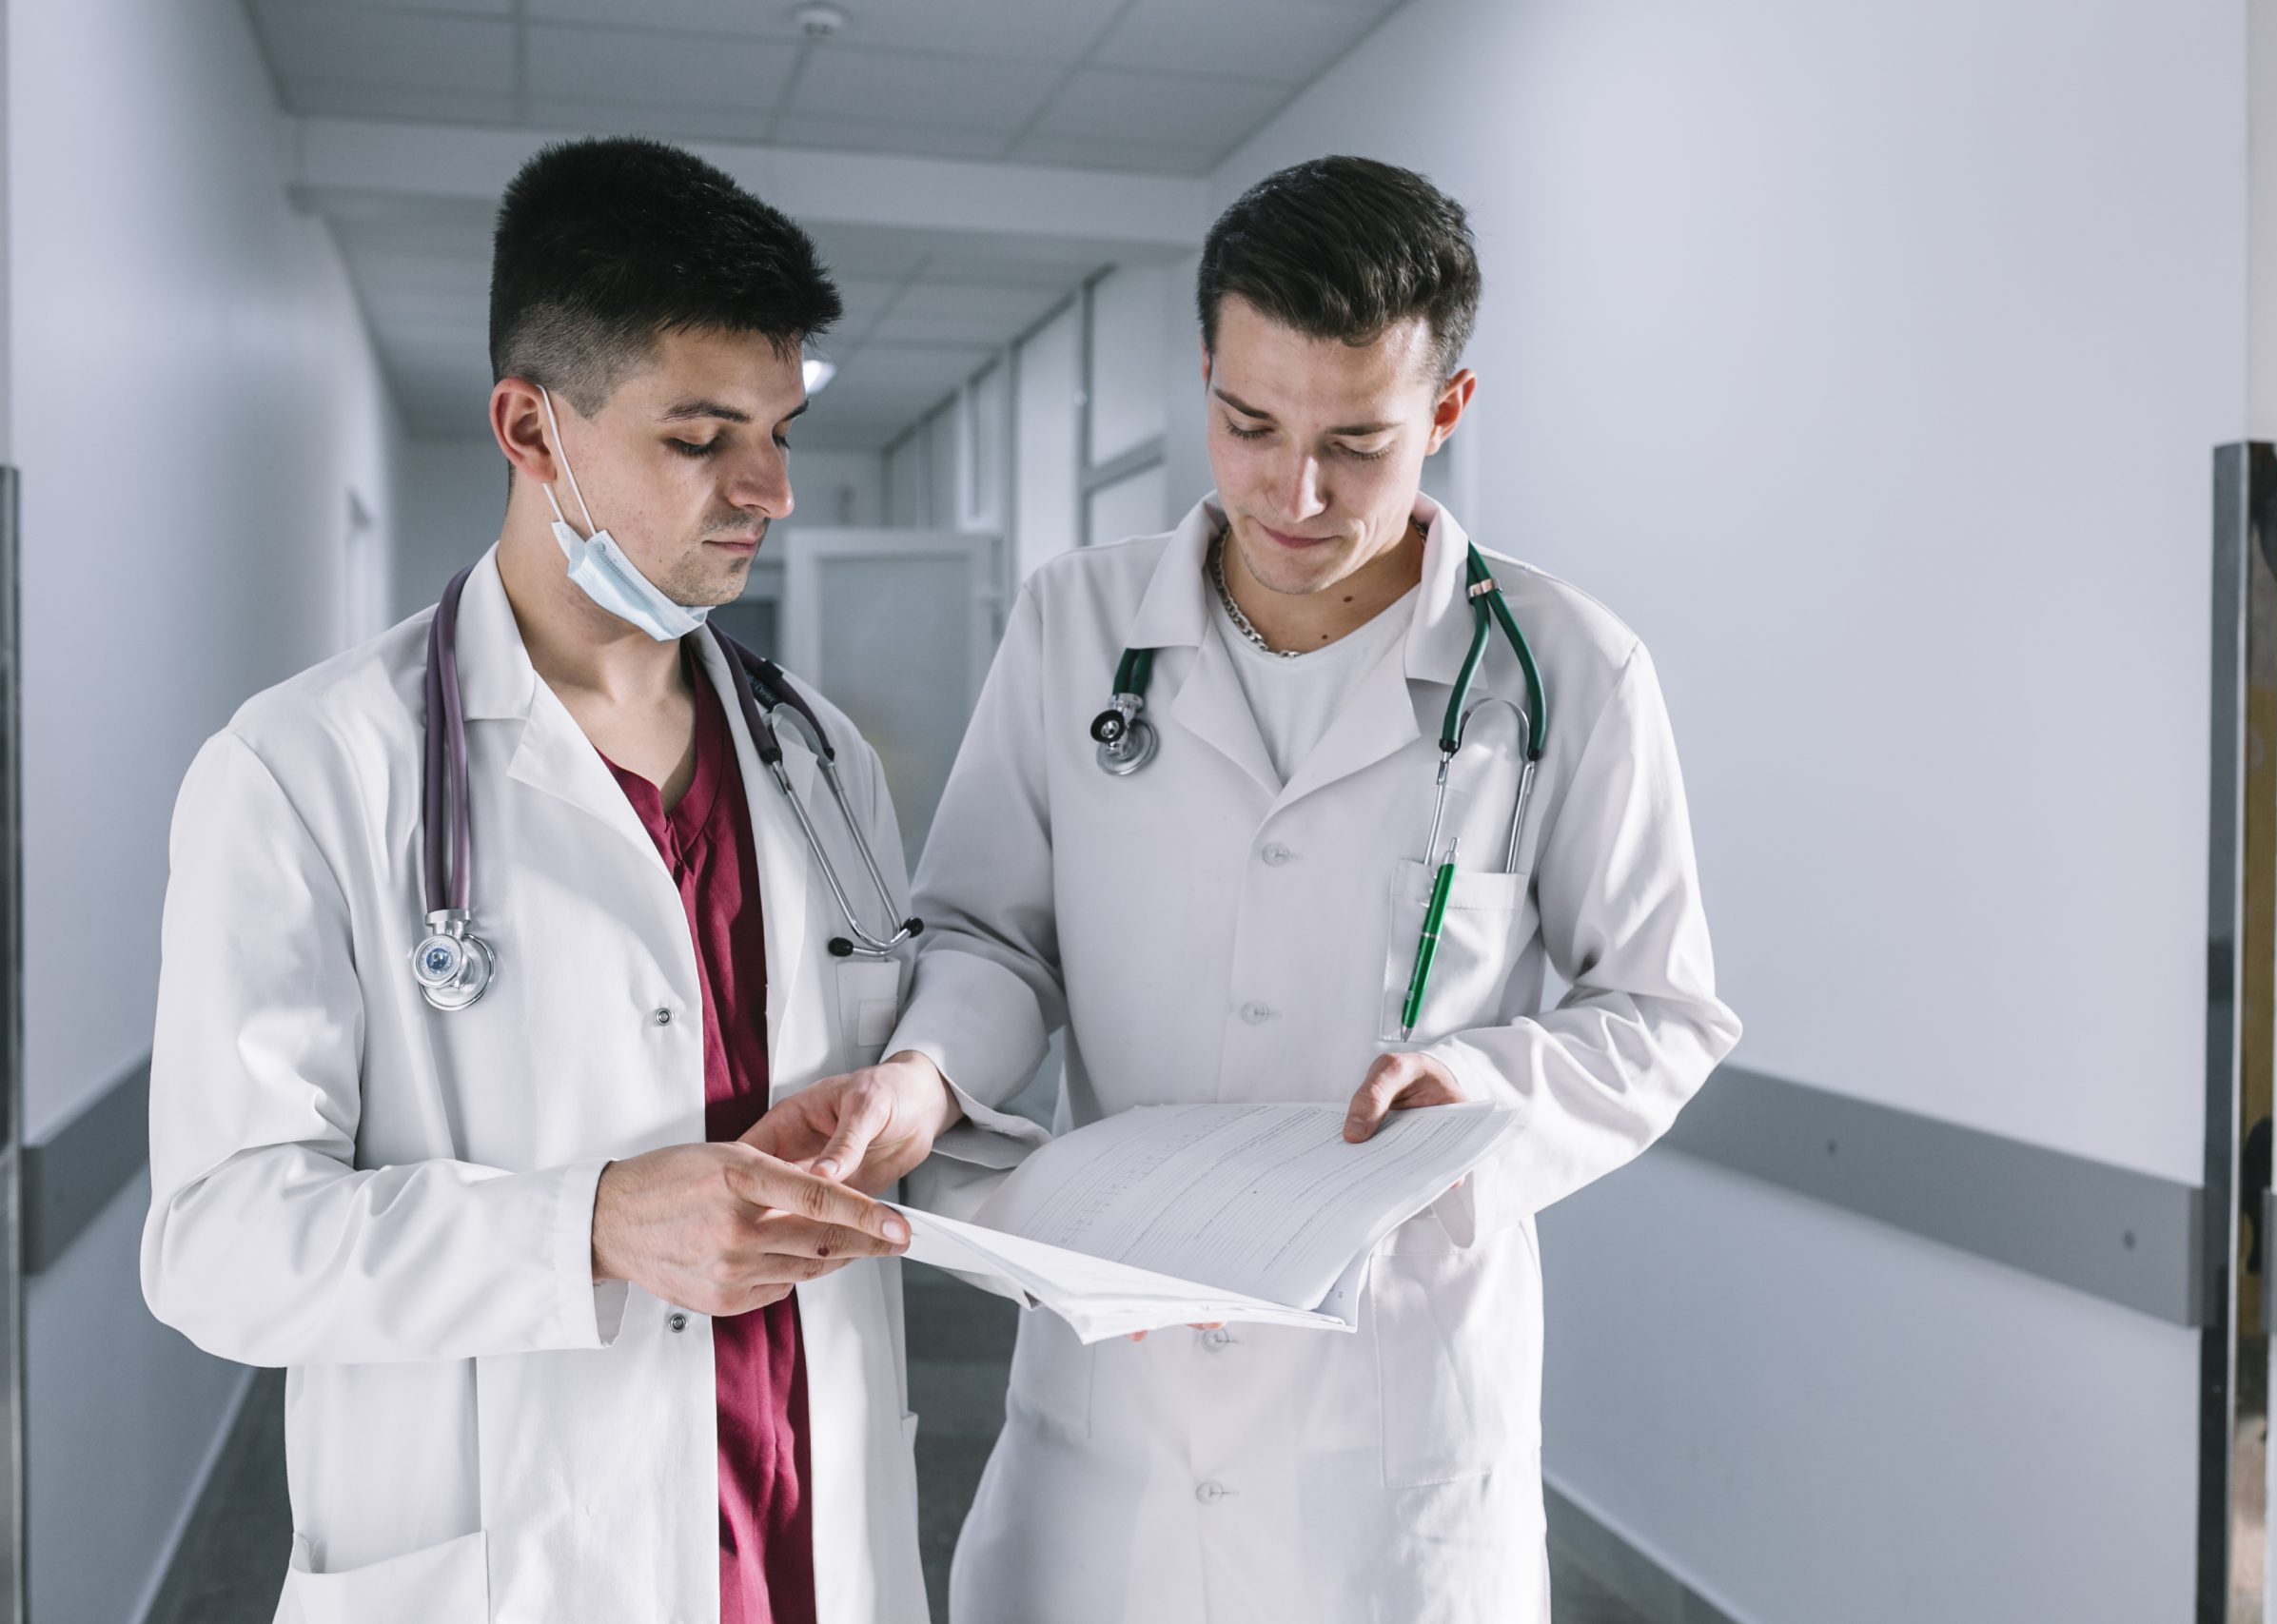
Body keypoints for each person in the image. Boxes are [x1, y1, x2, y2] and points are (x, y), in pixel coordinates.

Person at [747, 156, 1743, 1621]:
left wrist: (1482, 1085)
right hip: (1110, 1414)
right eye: (1249, 424)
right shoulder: (1075, 623)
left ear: (1448, 414)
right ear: (1205, 374)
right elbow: (991, 940)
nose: (1296, 490)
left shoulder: (1564, 672)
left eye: (1359, 441)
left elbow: (1659, 1012)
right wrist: (929, 1073)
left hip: (1391, 1431)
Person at [141, 137, 1003, 1624]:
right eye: (701, 438)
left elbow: (914, 1029)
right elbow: (215, 1247)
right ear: (532, 432)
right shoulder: (305, 771)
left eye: (784, 430)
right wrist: (589, 1225)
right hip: (520, 1568)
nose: (772, 491)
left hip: (808, 1540)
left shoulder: (819, 763)